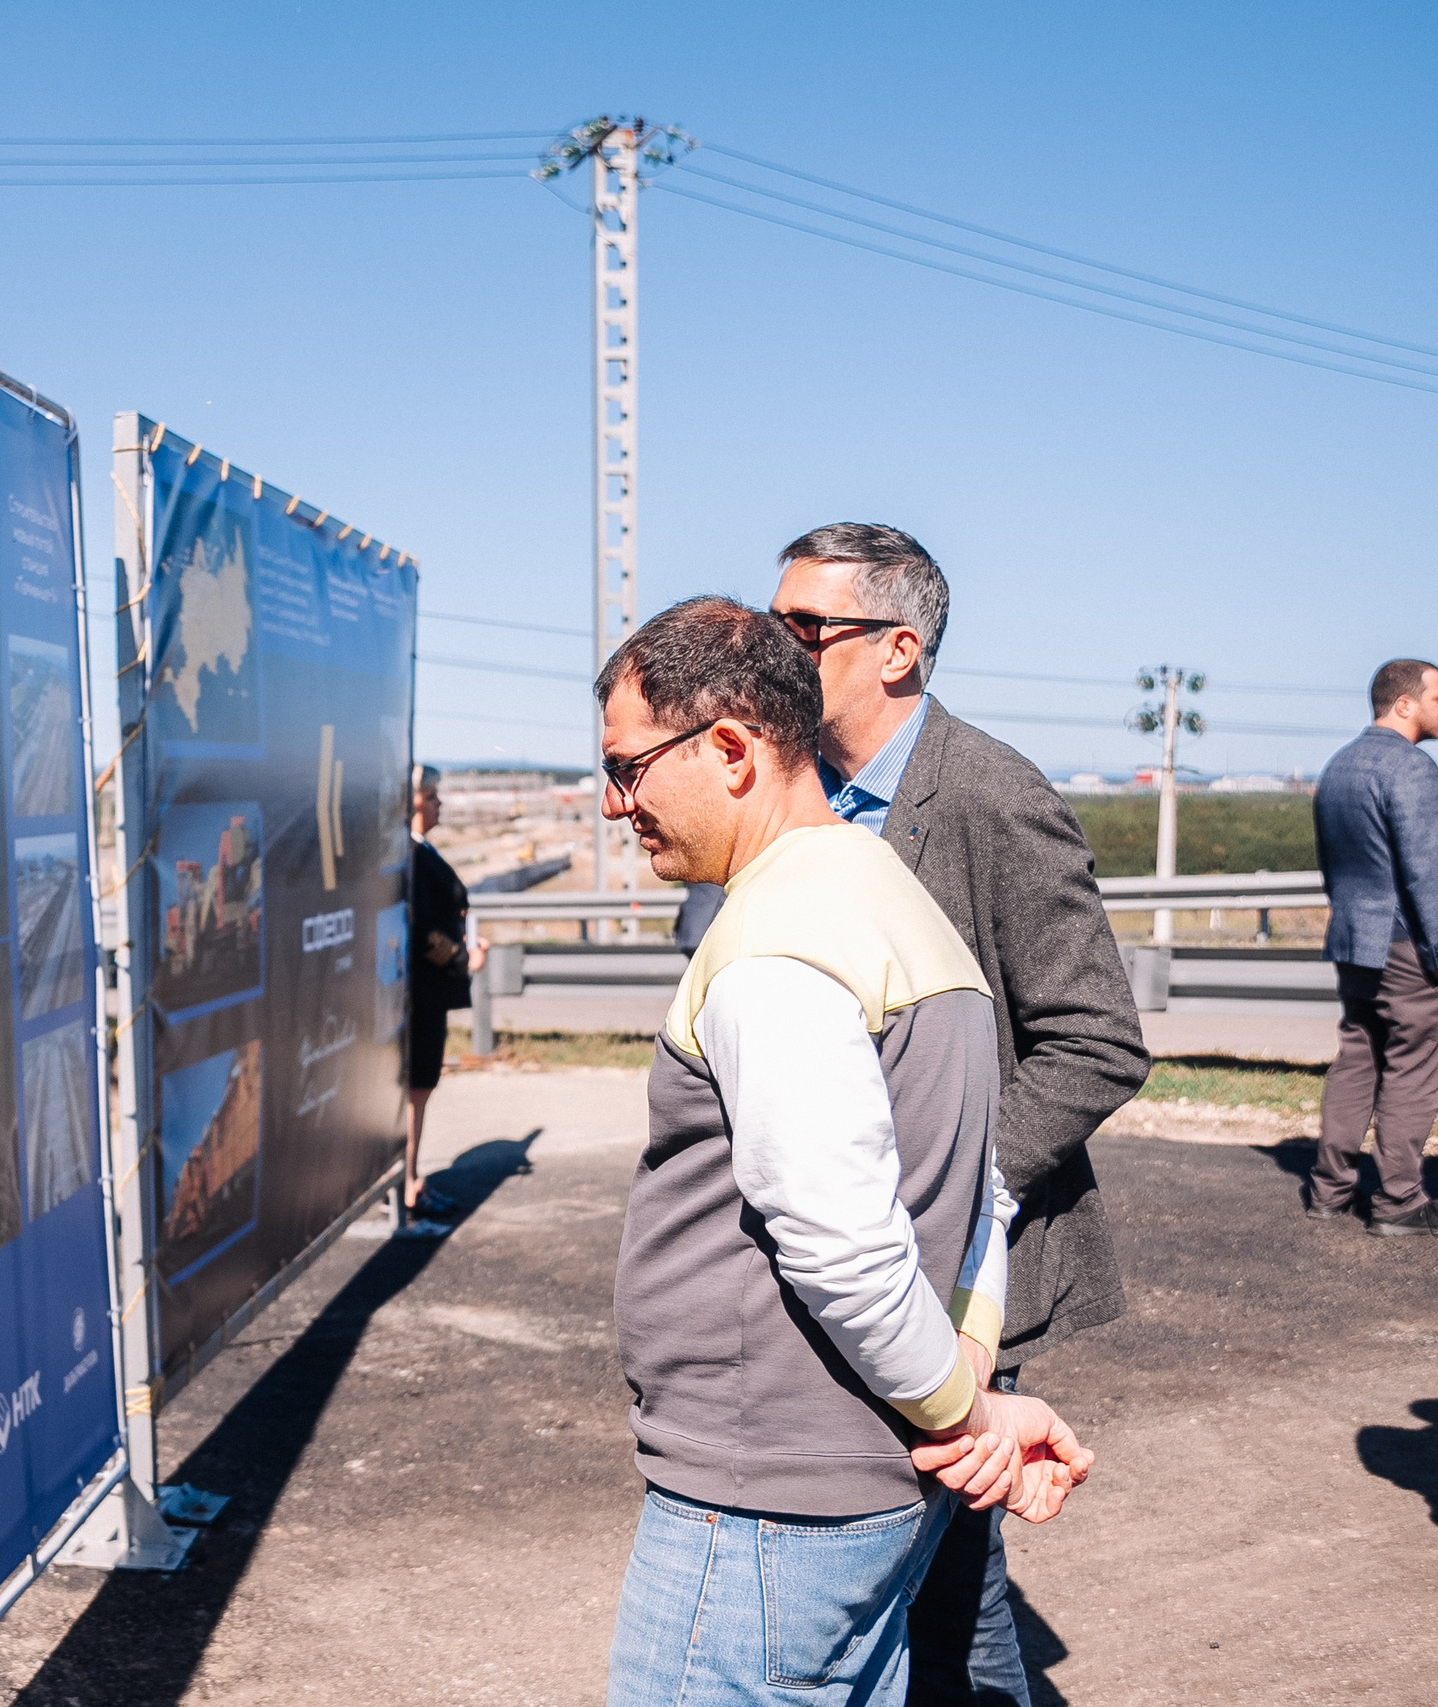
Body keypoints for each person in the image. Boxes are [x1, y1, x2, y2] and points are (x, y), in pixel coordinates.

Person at [599, 596, 1092, 1707]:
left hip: (763, 1499)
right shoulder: (897, 906)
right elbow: (979, 1193)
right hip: (862, 1488)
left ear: (728, 749)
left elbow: (839, 1243)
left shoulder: (777, 943)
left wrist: (967, 1417)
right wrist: (969, 1387)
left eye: (627, 769)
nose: (615, 803)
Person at [768, 523, 1148, 1707]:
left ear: (898, 649)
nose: (770, 653)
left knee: (939, 1594)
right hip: (835, 1247)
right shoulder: (792, 790)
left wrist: (960, 1181)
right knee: (903, 1586)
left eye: (800, 632)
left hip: (952, 1265)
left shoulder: (989, 796)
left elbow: (1096, 1038)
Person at [1307, 659, 1438, 1235]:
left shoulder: (1339, 766)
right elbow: (1428, 869)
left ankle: (1330, 1190)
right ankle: (1400, 1201)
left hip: (1356, 941)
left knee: (1358, 1061)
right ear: (1404, 703)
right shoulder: (1411, 767)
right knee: (1414, 1070)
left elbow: (1333, 864)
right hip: (1407, 944)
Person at [404, 765, 481, 1234]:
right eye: (432, 796)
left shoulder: (419, 850)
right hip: (420, 992)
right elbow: (421, 928)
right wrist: (460, 959)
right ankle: (408, 1184)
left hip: (427, 992)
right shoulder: (410, 855)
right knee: (414, 1091)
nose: (439, 804)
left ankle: (409, 1180)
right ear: (414, 801)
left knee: (420, 1090)